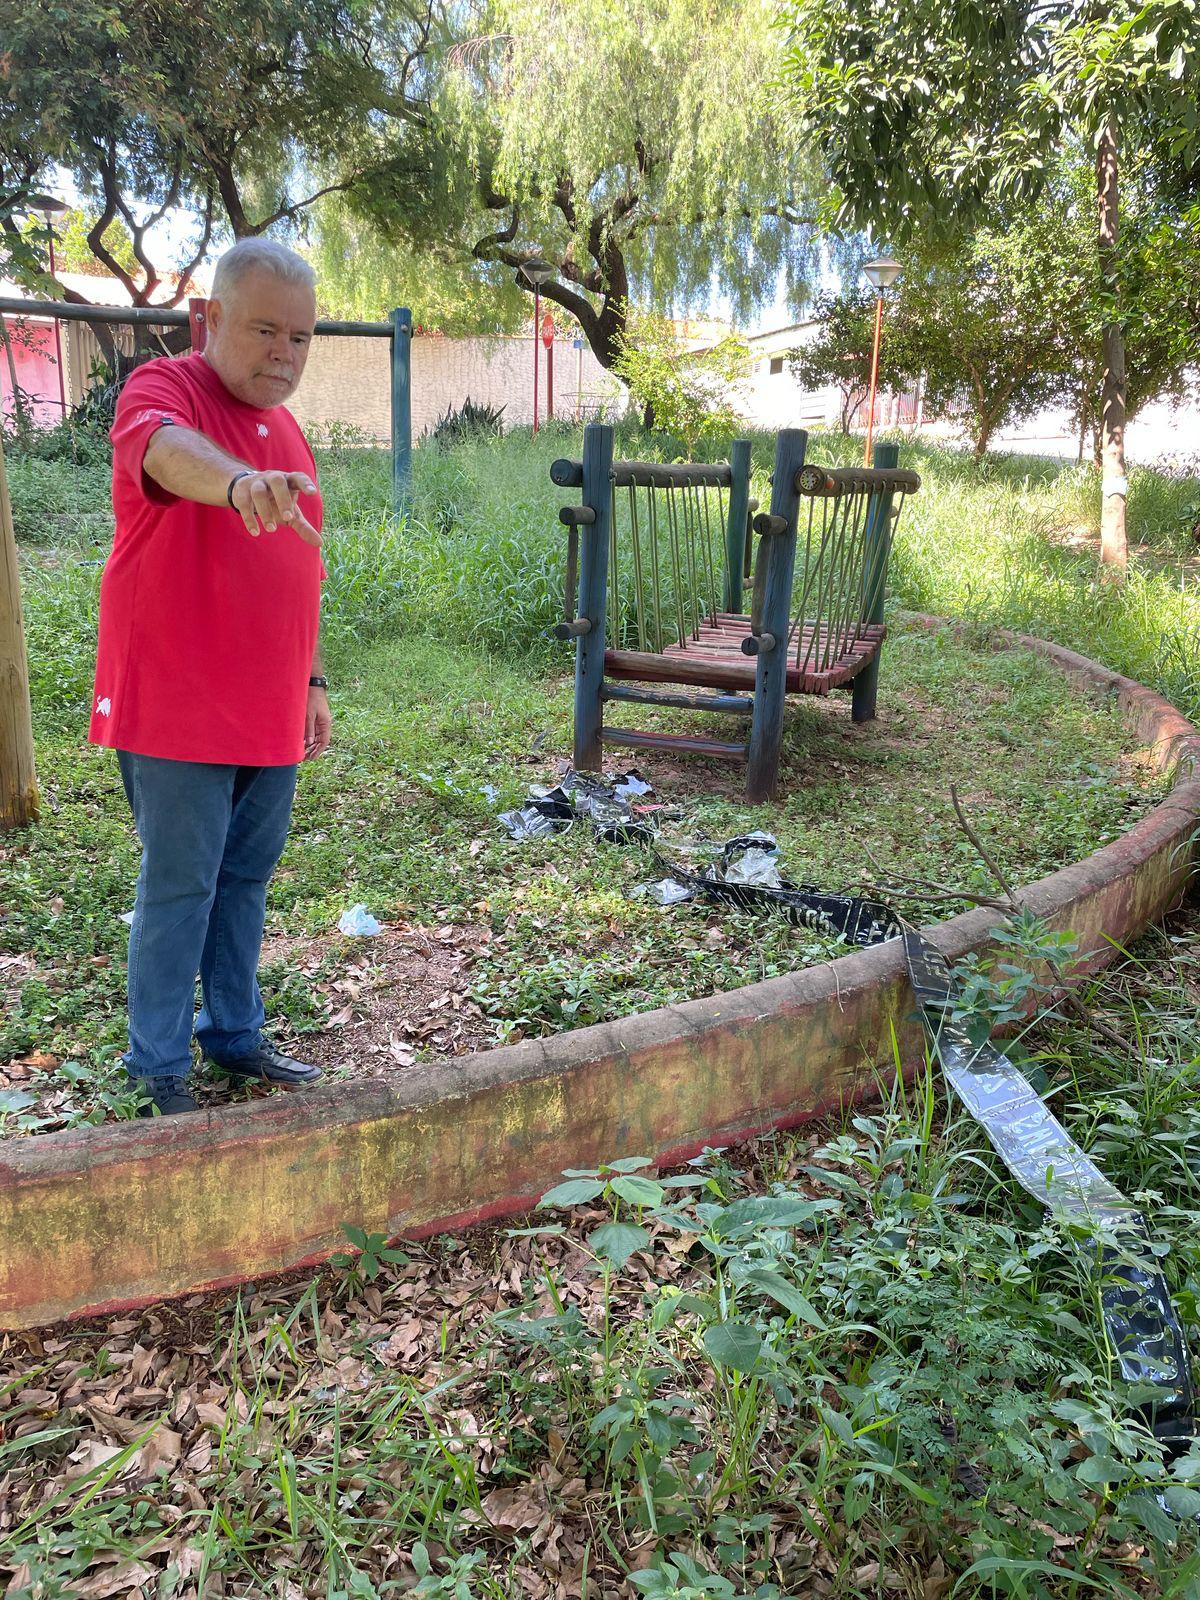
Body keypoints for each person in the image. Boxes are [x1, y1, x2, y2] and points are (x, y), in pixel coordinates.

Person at [90, 238, 332, 1117]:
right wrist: (237, 484)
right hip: (177, 705)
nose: (285, 353)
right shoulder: (164, 390)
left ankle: (232, 1033)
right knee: (181, 882)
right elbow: (161, 451)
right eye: (266, 329)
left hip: (270, 708)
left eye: (301, 338)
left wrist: (311, 678)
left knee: (245, 880)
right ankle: (157, 1062)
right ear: (213, 318)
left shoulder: (290, 426)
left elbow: (301, 571)